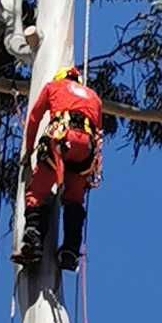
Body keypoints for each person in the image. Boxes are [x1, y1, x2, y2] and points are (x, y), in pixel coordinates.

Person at [18, 71, 104, 279]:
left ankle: (34, 237)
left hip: (61, 140)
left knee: (37, 191)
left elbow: (34, 117)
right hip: (85, 149)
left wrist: (29, 150)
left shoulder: (53, 86)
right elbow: (98, 133)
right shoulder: (94, 97)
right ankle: (70, 251)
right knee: (74, 200)